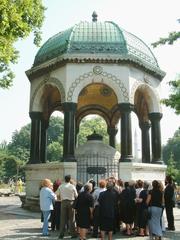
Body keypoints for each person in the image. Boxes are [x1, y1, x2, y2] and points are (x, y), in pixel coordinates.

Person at [58, 175, 78, 239]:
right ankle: (73, 234)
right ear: (70, 179)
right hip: (71, 202)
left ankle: (61, 234)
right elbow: (76, 195)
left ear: (64, 179)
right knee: (72, 219)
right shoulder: (72, 186)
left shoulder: (61, 186)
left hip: (63, 202)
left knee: (63, 219)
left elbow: (57, 195)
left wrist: (61, 198)